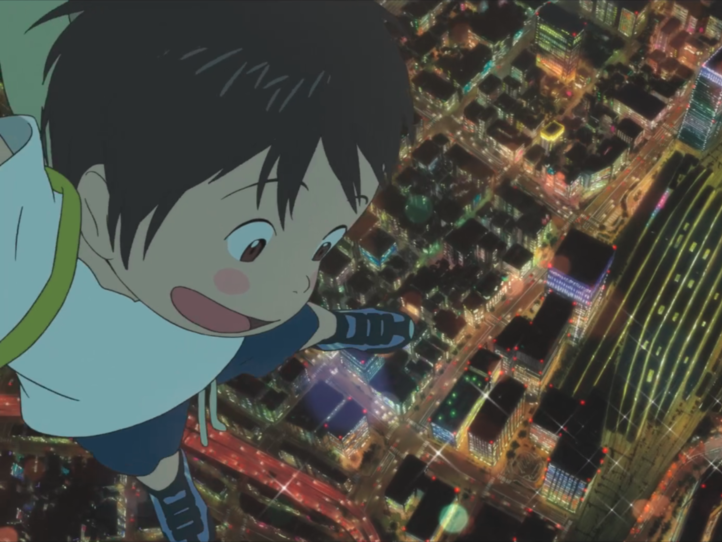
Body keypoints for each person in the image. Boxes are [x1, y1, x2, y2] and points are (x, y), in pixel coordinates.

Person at [0, 2, 416, 541]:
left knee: (286, 322)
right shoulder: (28, 255)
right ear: (97, 199)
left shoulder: (238, 294)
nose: (295, 281)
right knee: (151, 452)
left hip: (210, 330)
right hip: (116, 393)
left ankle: (343, 327)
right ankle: (172, 488)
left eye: (322, 246)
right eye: (252, 243)